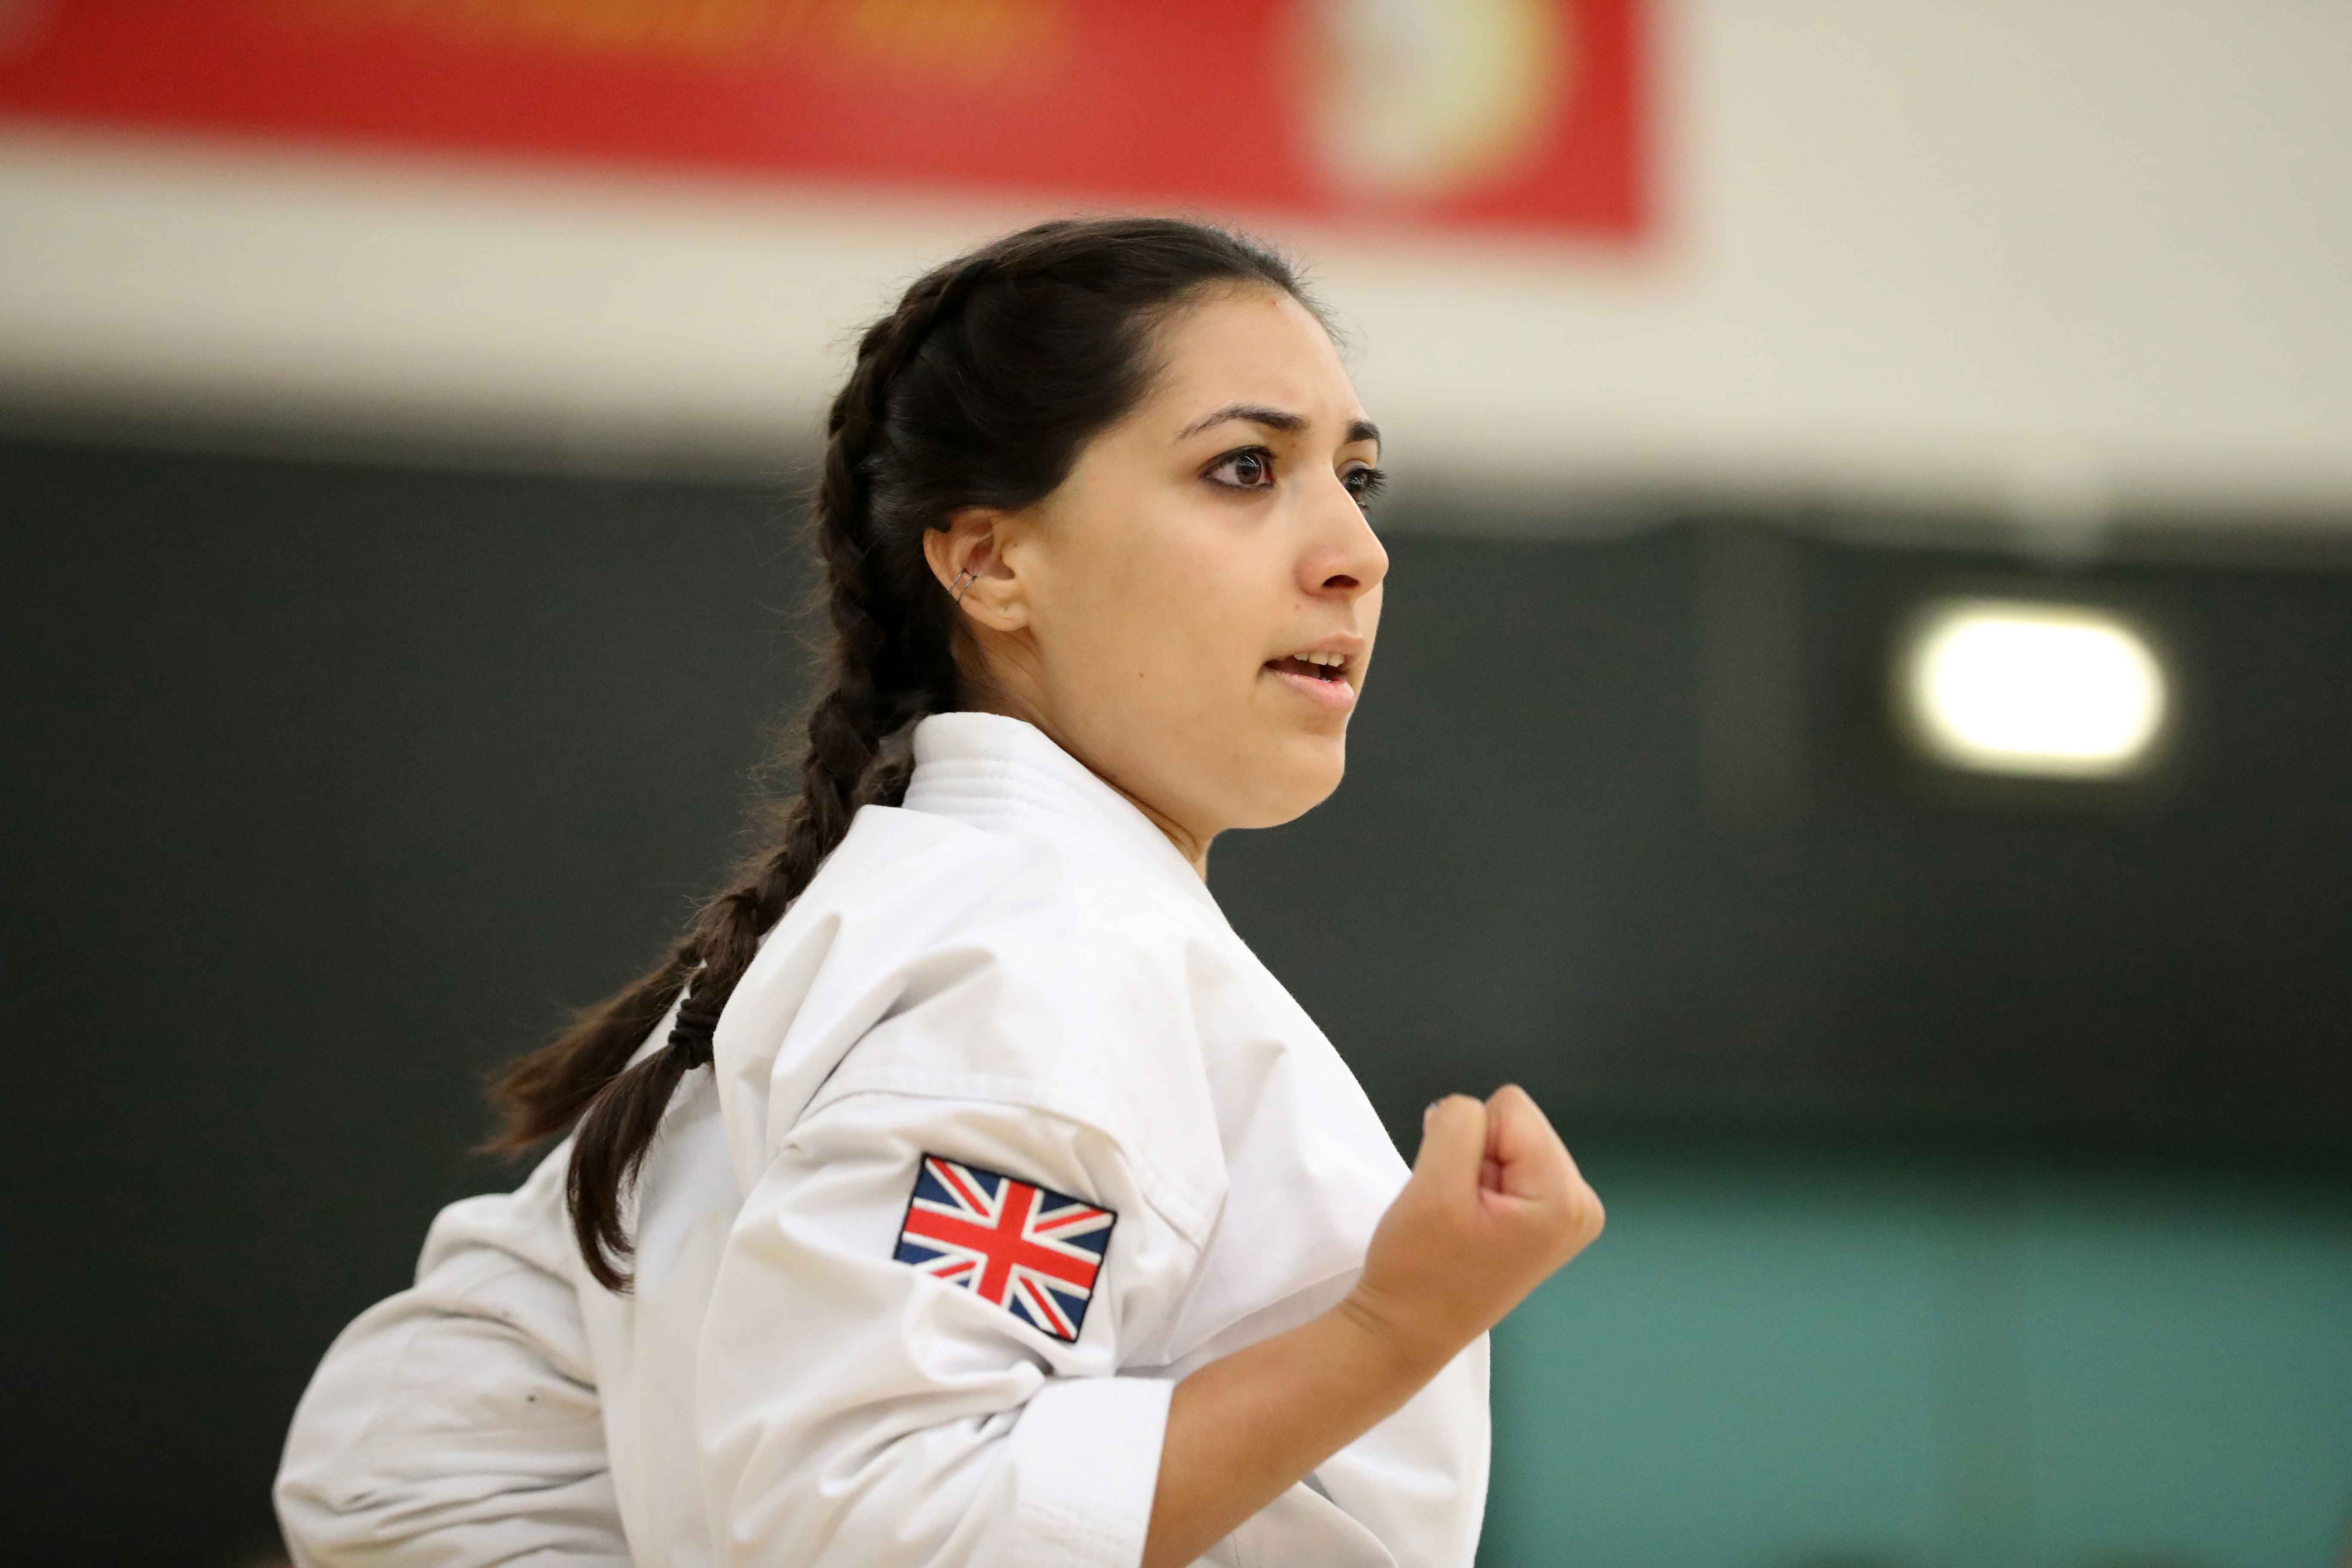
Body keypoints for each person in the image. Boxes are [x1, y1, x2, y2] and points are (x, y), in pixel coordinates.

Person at [275, 216, 1604, 1568]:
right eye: (1244, 468)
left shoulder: (902, 928)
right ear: (989, 562)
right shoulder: (1032, 955)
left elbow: (390, 1467)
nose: (1354, 553)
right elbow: (890, 1525)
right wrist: (1389, 1329)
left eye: (1356, 478)